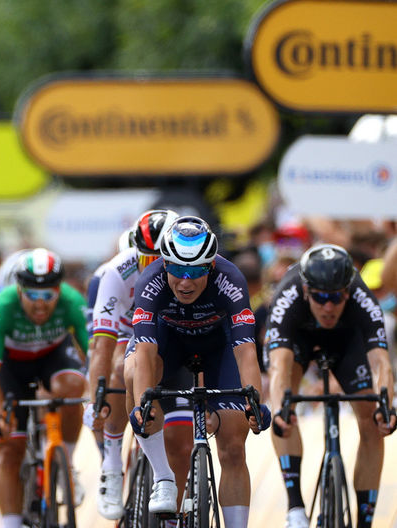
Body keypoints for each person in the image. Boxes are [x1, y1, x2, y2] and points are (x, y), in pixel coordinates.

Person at [127, 216, 269, 528]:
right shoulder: (149, 282)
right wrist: (143, 404)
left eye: (196, 271)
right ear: (164, 265)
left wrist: (253, 403)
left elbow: (246, 351)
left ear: (211, 267)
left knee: (233, 447)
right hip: (170, 345)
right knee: (137, 377)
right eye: (177, 270)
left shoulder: (230, 280)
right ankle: (163, 481)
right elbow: (146, 354)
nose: (185, 281)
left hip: (218, 349)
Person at [266, 244, 396, 528]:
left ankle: (365, 521)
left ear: (347, 292)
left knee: (372, 422)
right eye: (320, 297)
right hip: (299, 337)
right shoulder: (287, 297)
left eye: (335, 297)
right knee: (285, 405)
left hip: (347, 340)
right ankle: (295, 508)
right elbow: (278, 366)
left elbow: (381, 364)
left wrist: (385, 406)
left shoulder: (363, 299)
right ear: (305, 291)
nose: (328, 306)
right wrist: (278, 410)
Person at [85, 209, 196, 522]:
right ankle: (111, 463)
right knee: (121, 366)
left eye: (159, 259)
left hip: (171, 332)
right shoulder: (116, 272)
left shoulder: (192, 268)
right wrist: (97, 397)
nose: (152, 268)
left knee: (181, 441)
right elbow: (101, 348)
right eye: (145, 259)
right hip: (127, 330)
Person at [0, 248, 89, 528]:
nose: (41, 305)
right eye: (33, 296)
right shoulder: (2, 306)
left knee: (74, 387)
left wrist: (101, 392)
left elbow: (94, 354)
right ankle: (11, 523)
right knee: (9, 451)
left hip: (53, 357)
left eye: (48, 296)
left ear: (59, 291)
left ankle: (68, 461)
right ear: (19, 291)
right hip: (11, 367)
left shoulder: (73, 302)